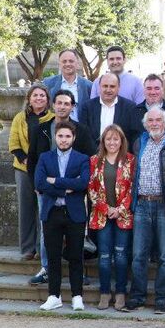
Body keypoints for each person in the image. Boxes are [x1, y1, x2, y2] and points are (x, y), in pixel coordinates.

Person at [26, 90, 95, 286]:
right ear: (53, 105)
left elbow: (90, 158)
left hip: (74, 193)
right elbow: (32, 159)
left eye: (67, 103)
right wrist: (36, 184)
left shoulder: (81, 131)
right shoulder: (41, 129)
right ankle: (46, 269)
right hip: (45, 191)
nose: (62, 107)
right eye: (59, 103)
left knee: (76, 233)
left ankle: (77, 272)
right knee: (46, 232)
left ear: (72, 107)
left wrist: (72, 185)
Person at [125, 108, 165, 313]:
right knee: (138, 255)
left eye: (158, 120)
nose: (154, 123)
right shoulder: (139, 142)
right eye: (150, 120)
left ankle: (162, 298)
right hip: (142, 204)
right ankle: (137, 296)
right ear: (145, 124)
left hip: (164, 205)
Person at [34, 121, 90, 311]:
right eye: (60, 136)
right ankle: (54, 296)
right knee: (53, 256)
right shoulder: (45, 157)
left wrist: (55, 181)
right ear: (55, 137)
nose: (64, 140)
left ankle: (77, 296)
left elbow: (83, 183)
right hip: (52, 212)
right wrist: (65, 188)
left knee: (76, 256)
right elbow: (40, 183)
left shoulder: (82, 159)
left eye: (67, 136)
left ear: (73, 138)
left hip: (74, 213)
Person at [87, 124, 135, 311]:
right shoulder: (94, 160)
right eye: (108, 139)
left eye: (116, 139)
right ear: (103, 141)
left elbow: (132, 188)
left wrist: (120, 209)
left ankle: (121, 292)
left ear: (121, 141)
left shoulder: (130, 160)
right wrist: (106, 208)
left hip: (123, 215)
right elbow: (91, 189)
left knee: (121, 256)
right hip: (102, 215)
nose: (112, 142)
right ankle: (105, 292)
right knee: (105, 256)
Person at [10, 84, 55, 261]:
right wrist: (27, 161)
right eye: (35, 95)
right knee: (26, 208)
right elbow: (14, 144)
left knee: (44, 209)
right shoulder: (20, 118)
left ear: (47, 99)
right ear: (29, 99)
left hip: (45, 171)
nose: (39, 98)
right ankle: (28, 248)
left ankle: (41, 248)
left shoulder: (52, 119)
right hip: (23, 169)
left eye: (42, 95)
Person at [79, 73, 139, 147]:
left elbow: (132, 135)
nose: (108, 90)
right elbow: (84, 134)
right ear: (99, 87)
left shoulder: (130, 107)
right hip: (93, 152)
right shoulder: (87, 107)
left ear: (118, 88)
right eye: (105, 86)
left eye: (112, 86)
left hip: (121, 152)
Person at [42, 49, 92, 122]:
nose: (68, 64)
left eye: (71, 61)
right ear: (59, 64)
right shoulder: (48, 83)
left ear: (77, 63)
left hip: (80, 127)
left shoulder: (88, 86)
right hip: (54, 127)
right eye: (64, 61)